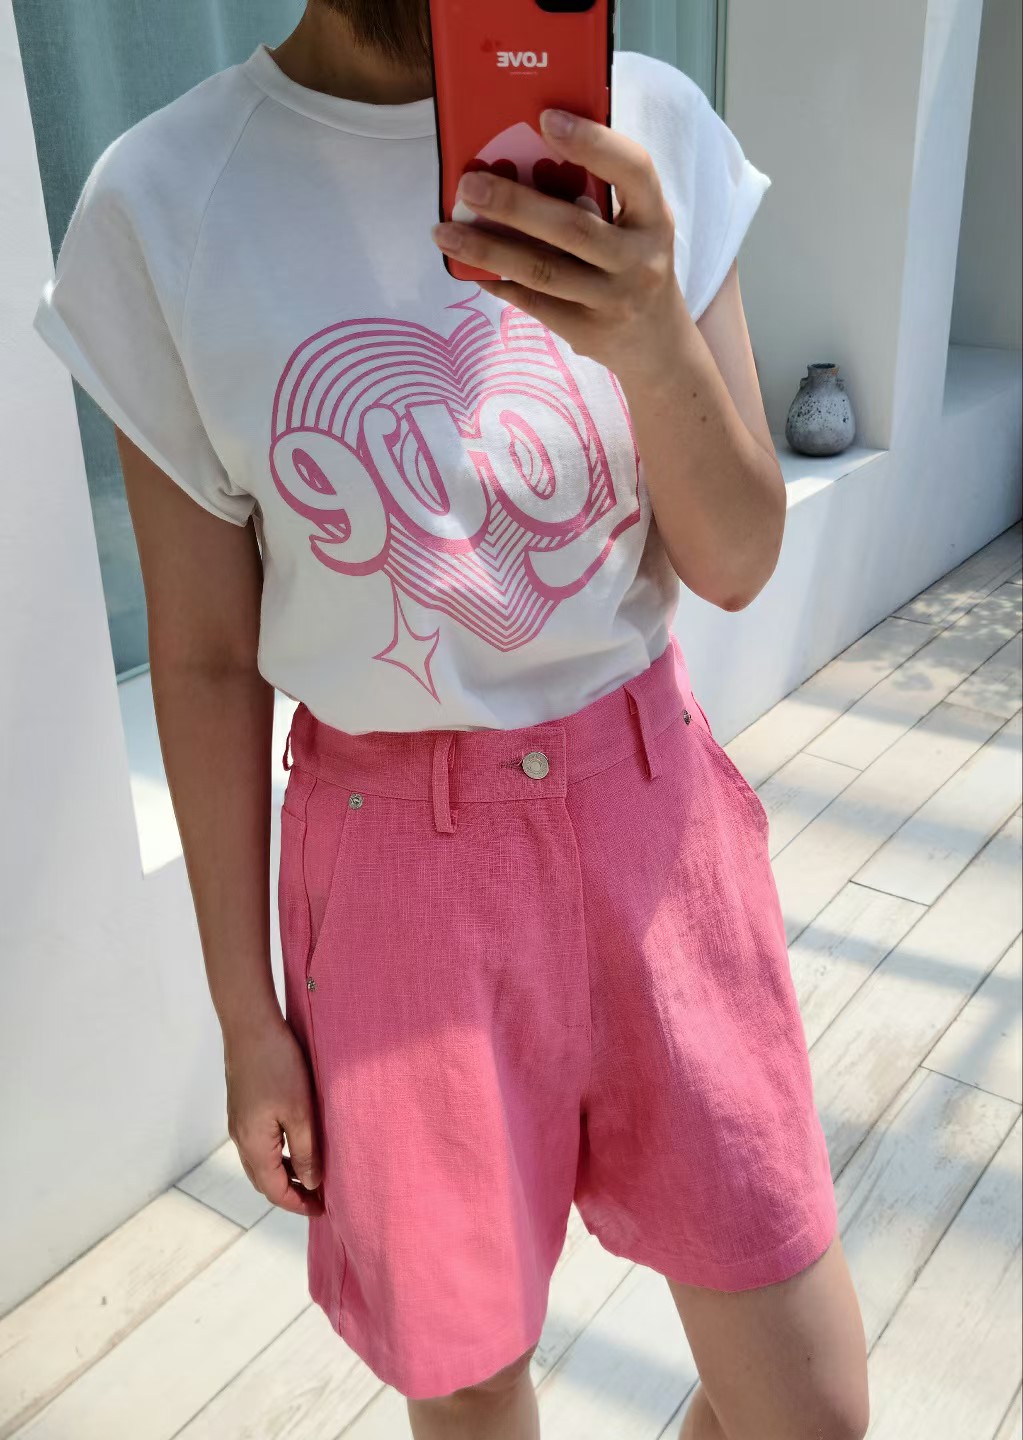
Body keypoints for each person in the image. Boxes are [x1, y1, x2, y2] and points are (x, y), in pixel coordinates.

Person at [32, 2, 870, 1436]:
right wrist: (247, 1018)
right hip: (391, 882)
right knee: (468, 1379)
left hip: (650, 819)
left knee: (809, 1405)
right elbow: (210, 660)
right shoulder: (164, 205)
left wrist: (652, 335)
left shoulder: (644, 124)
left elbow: (735, 560)